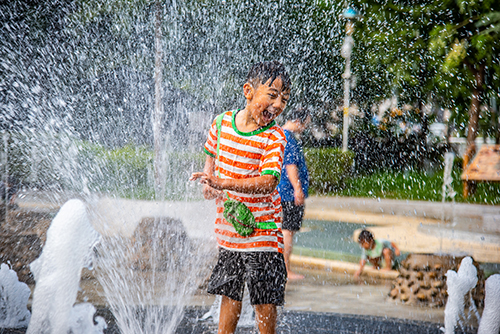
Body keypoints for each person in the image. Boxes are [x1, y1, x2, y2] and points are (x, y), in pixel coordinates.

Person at [190, 60, 291, 334]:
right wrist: (208, 181)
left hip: (263, 236)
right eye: (272, 95)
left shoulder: (274, 137)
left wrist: (222, 183)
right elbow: (212, 154)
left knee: (264, 301)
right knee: (229, 294)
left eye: (284, 99)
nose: (279, 104)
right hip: (230, 233)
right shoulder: (222, 123)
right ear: (249, 91)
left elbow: (269, 182)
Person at [276, 108, 311, 280]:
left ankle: (281, 268)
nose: (305, 128)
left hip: (281, 191)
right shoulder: (288, 138)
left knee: (283, 230)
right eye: (305, 124)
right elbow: (290, 166)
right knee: (288, 231)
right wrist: (298, 189)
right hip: (289, 193)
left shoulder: (280, 134)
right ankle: (286, 270)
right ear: (298, 121)